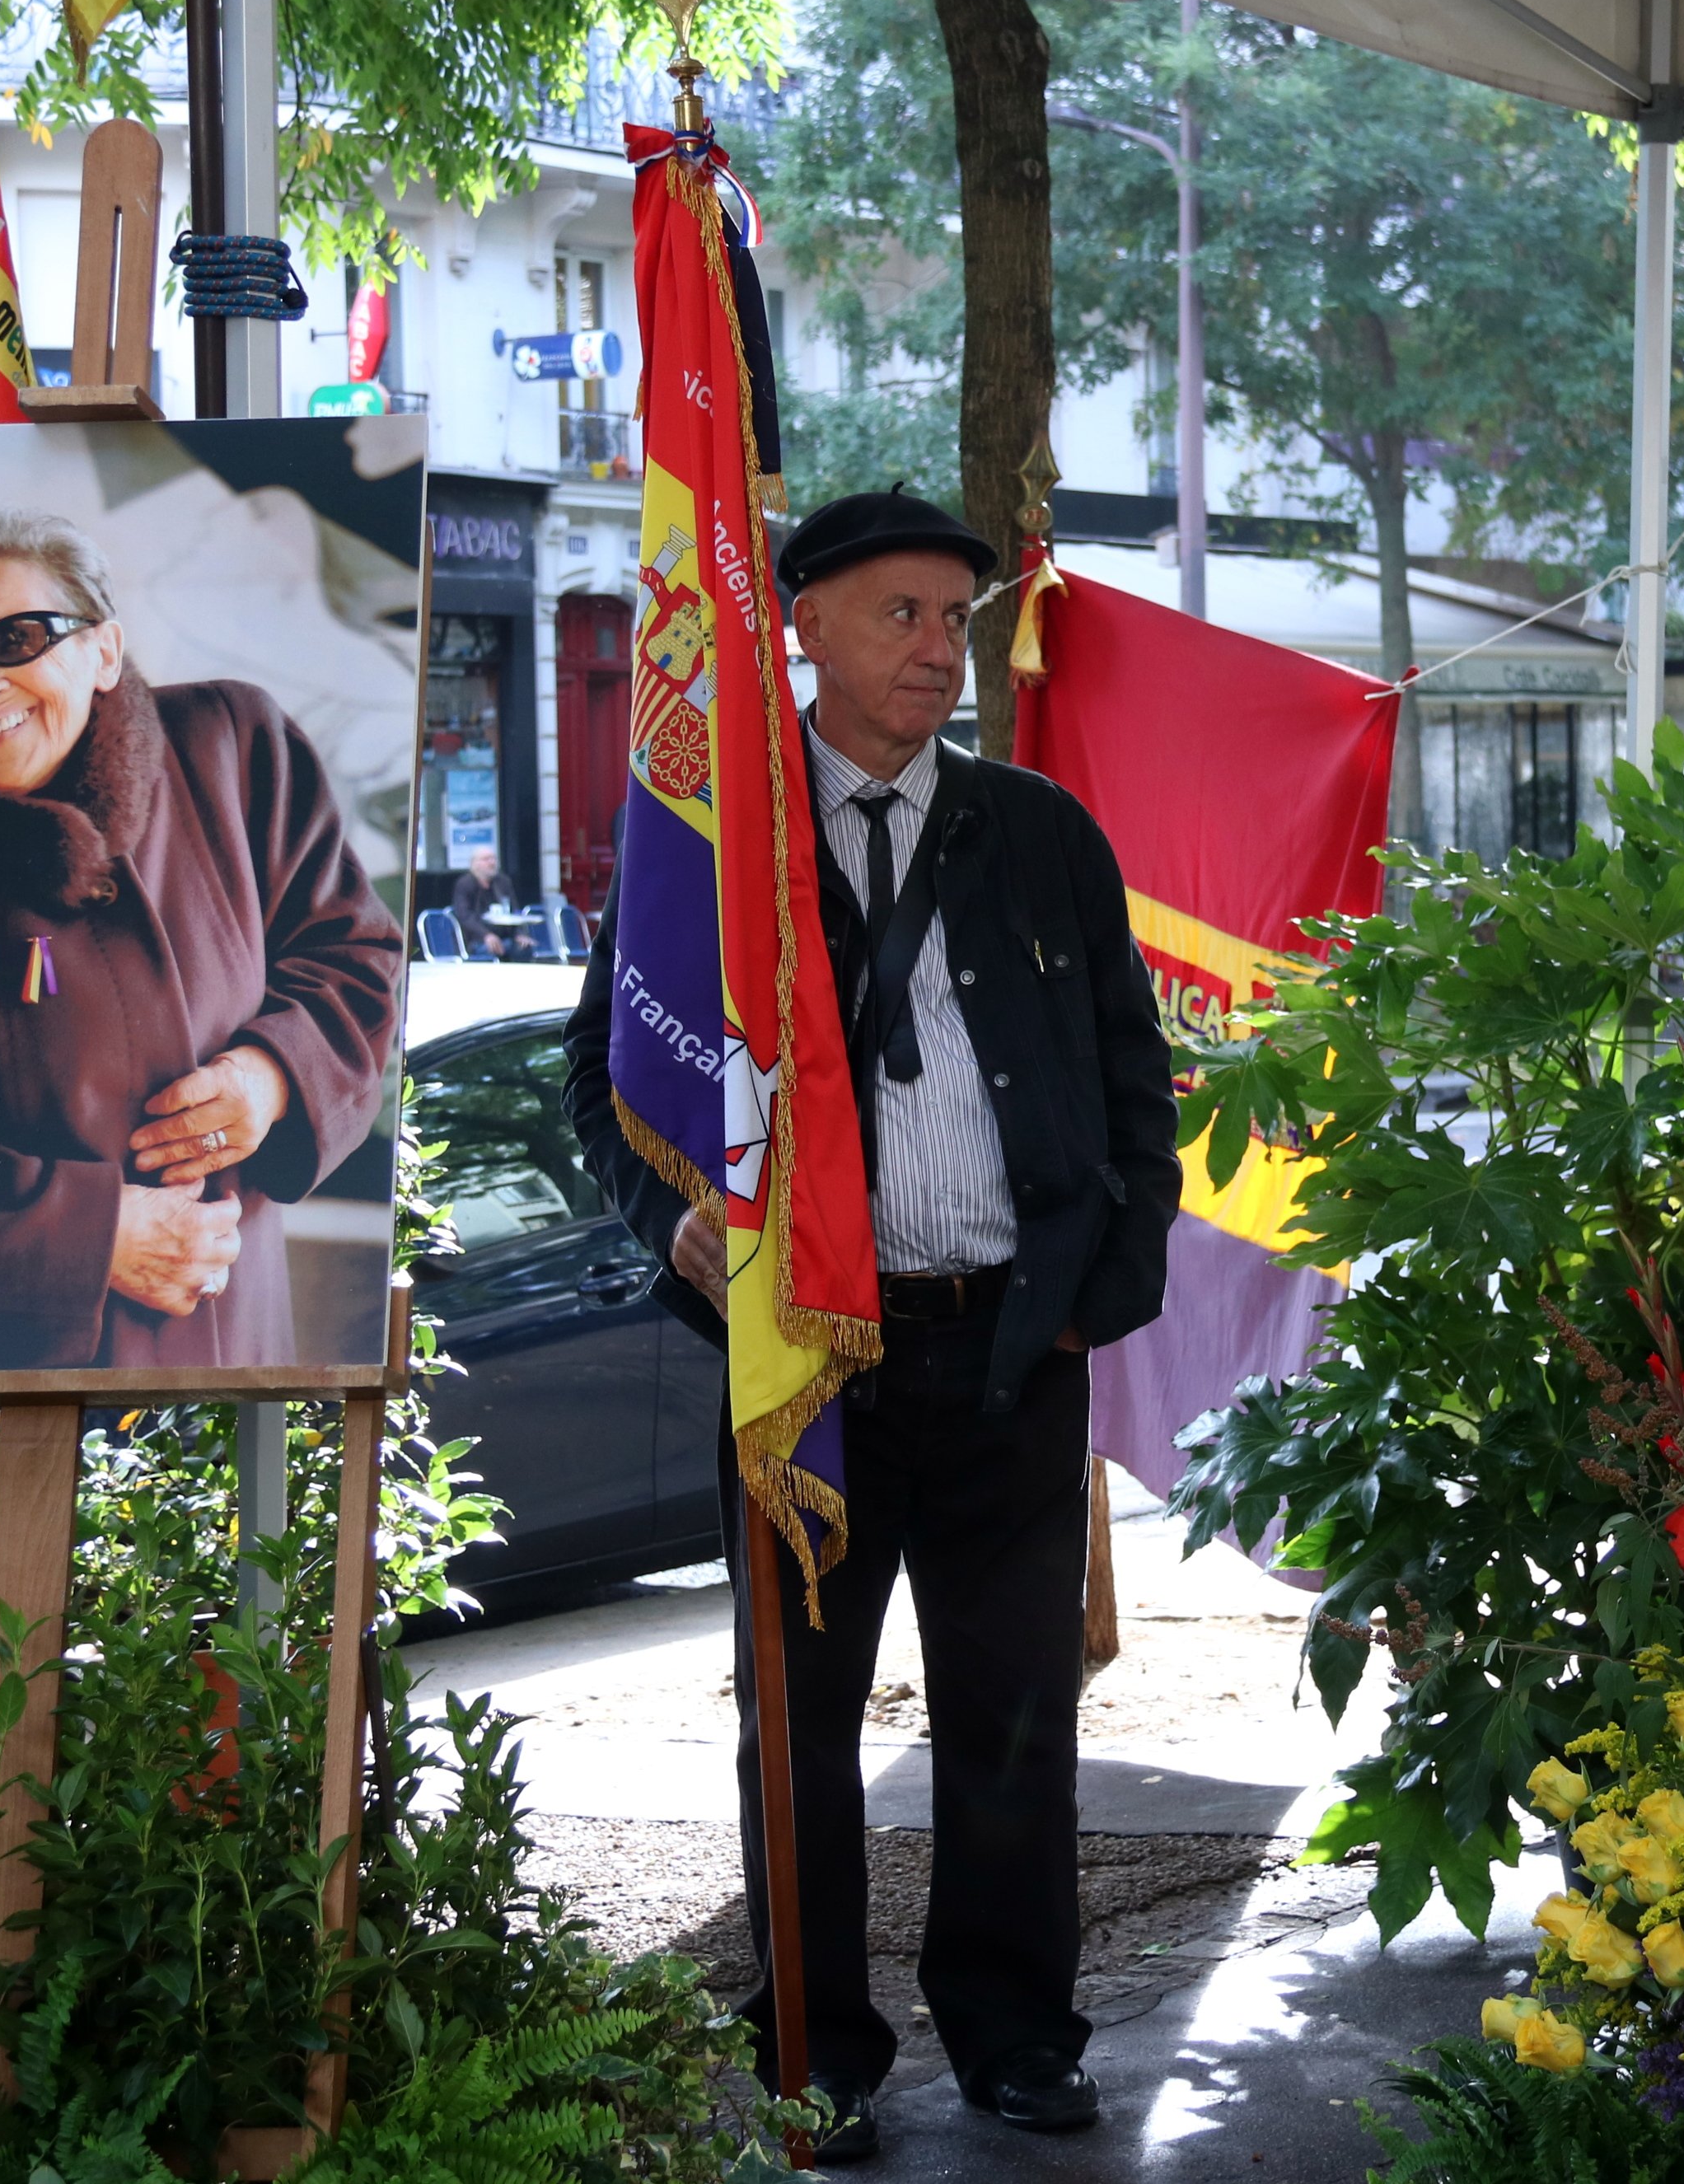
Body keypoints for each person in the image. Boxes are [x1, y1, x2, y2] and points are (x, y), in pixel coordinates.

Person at [566, 489, 1180, 2163]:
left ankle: (1016, 2035)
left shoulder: (1041, 828)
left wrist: (1092, 1300)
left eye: (956, 619)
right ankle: (816, 2048)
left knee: (1011, 1713)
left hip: (1007, 1350)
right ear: (808, 627)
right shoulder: (721, 852)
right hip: (806, 1365)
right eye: (903, 613)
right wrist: (665, 1218)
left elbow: (1136, 1081)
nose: (939, 650)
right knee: (801, 1721)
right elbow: (602, 1083)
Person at [0, 507, 400, 1373]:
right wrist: (94, 1235)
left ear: (104, 650)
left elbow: (356, 959)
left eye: (17, 639)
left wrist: (274, 1076)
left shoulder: (237, 749)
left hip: (228, 1356)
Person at [449, 844, 532, 960]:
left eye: (493, 859)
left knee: (524, 948)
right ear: (475, 863)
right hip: (476, 939)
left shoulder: (503, 882)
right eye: (486, 859)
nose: (492, 862)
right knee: (496, 948)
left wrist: (520, 934)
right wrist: (486, 935)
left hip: (505, 936)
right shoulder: (464, 884)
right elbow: (465, 916)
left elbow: (514, 911)